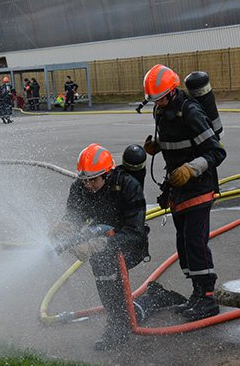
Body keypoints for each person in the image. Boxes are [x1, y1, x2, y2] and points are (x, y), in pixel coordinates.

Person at [142, 64, 226, 321]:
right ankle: (196, 293)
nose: (158, 104)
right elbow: (178, 140)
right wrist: (158, 146)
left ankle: (208, 297)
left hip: (198, 186)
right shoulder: (161, 111)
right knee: (183, 244)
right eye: (153, 100)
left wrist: (191, 168)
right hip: (177, 188)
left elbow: (216, 152)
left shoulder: (190, 111)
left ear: (172, 91)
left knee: (195, 241)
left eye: (160, 98)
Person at [50, 144, 149, 350]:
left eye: (93, 180)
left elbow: (135, 231)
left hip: (129, 244)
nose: (88, 185)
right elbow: (73, 216)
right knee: (106, 281)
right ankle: (140, 306)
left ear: (108, 173)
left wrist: (100, 244)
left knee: (110, 278)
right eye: (85, 179)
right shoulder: (80, 186)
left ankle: (118, 326)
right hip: (99, 243)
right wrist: (66, 228)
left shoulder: (129, 186)